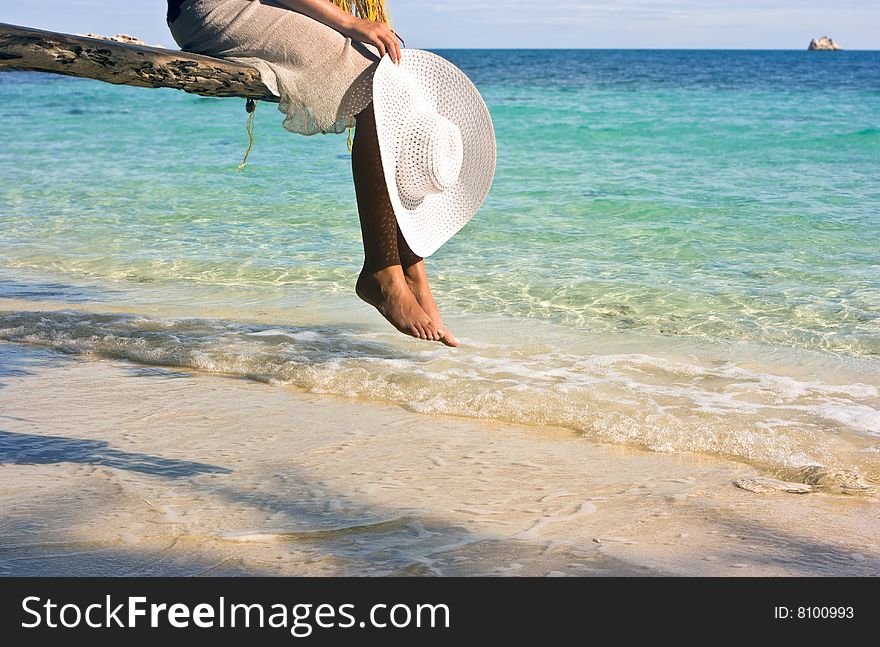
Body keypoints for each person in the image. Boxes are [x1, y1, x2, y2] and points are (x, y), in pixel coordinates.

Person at [167, 0, 459, 346]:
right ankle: (382, 270)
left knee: (393, 73)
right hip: (216, 8)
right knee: (375, 83)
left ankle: (411, 267)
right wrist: (351, 22)